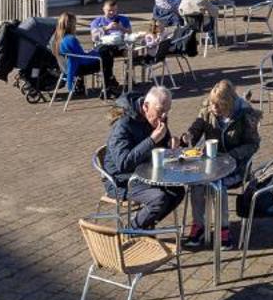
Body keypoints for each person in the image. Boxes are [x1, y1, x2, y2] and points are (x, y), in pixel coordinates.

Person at [177, 78, 262, 249]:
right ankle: (198, 226)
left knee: (218, 185)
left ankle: (224, 229)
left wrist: (232, 155)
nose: (214, 109)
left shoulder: (245, 114)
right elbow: (197, 126)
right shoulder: (209, 107)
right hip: (211, 163)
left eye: (219, 105)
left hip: (236, 165)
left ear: (228, 103)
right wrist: (188, 137)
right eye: (212, 104)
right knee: (196, 183)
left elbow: (253, 144)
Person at [102, 85, 183, 229]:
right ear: (146, 106)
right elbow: (123, 163)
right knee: (159, 199)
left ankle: (145, 224)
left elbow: (162, 146)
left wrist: (171, 144)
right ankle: (131, 230)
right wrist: (151, 140)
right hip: (122, 180)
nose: (163, 116)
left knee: (178, 190)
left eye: (167, 111)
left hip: (146, 173)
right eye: (160, 111)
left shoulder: (157, 117)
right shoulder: (123, 124)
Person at [89, 0, 133, 93]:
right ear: (104, 9)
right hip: (104, 47)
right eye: (109, 10)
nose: (112, 13)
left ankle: (124, 79)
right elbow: (94, 37)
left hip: (119, 46)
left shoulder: (123, 19)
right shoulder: (97, 21)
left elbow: (130, 33)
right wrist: (106, 28)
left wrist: (121, 28)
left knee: (130, 52)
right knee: (106, 52)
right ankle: (109, 80)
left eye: (115, 10)